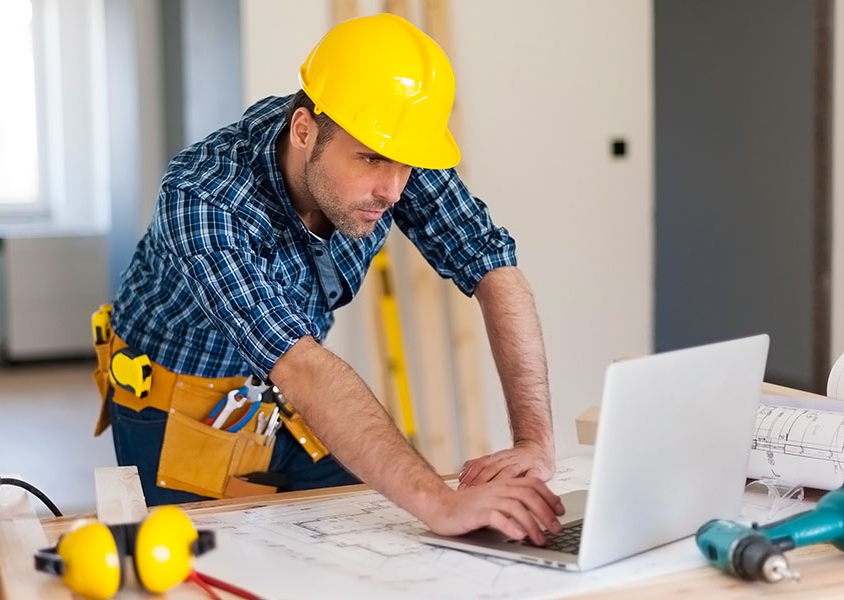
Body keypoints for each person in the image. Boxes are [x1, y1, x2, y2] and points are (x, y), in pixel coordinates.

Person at [93, 13, 564, 544]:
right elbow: (299, 364)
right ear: (303, 130)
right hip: (175, 404)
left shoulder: (390, 145)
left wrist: (535, 442)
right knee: (203, 569)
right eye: (369, 160)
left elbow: (495, 269)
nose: (392, 190)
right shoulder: (204, 198)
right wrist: (440, 500)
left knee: (366, 546)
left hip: (279, 398)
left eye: (405, 166)